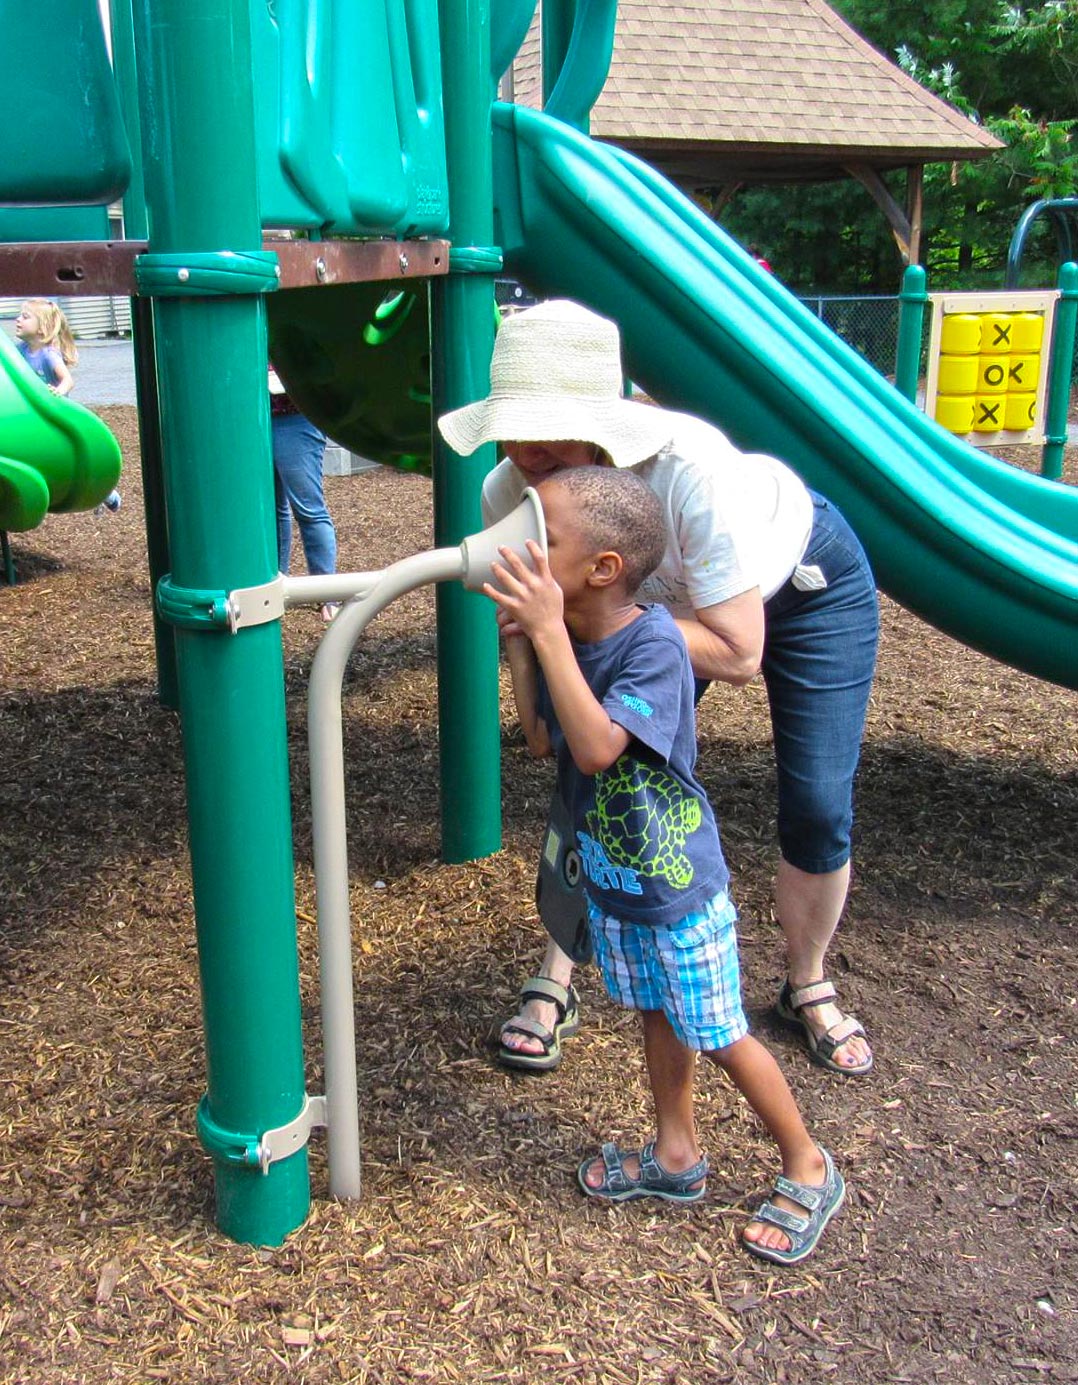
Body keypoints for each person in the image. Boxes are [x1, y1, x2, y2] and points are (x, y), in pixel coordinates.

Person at [437, 299, 879, 1079]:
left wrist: (611, 634)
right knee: (595, 769)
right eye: (513, 428)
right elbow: (564, 710)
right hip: (635, 612)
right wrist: (537, 660)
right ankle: (559, 973)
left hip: (802, 582)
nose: (526, 454)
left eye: (549, 432)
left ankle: (806, 981)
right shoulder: (512, 492)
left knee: (817, 799)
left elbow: (739, 648)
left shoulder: (688, 473)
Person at [484, 465, 845, 1264]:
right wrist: (521, 645)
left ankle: (808, 1162)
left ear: (602, 569)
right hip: (619, 887)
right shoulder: (568, 638)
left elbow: (598, 746)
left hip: (679, 891)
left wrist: (545, 633)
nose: (523, 546)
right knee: (655, 1012)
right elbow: (543, 740)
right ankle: (675, 1153)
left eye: (543, 536)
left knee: (718, 1032)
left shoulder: (655, 646)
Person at [269, 367, 339, 621]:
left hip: (295, 417)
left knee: (309, 509)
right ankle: (274, 581)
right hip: (254, 417)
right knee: (271, 509)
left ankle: (326, 594)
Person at [14, 298, 77, 397]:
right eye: (20, 316)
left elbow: (68, 380)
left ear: (41, 328)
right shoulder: (21, 349)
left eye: (25, 317)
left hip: (52, 407)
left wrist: (58, 391)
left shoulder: (48, 354)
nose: (18, 319)